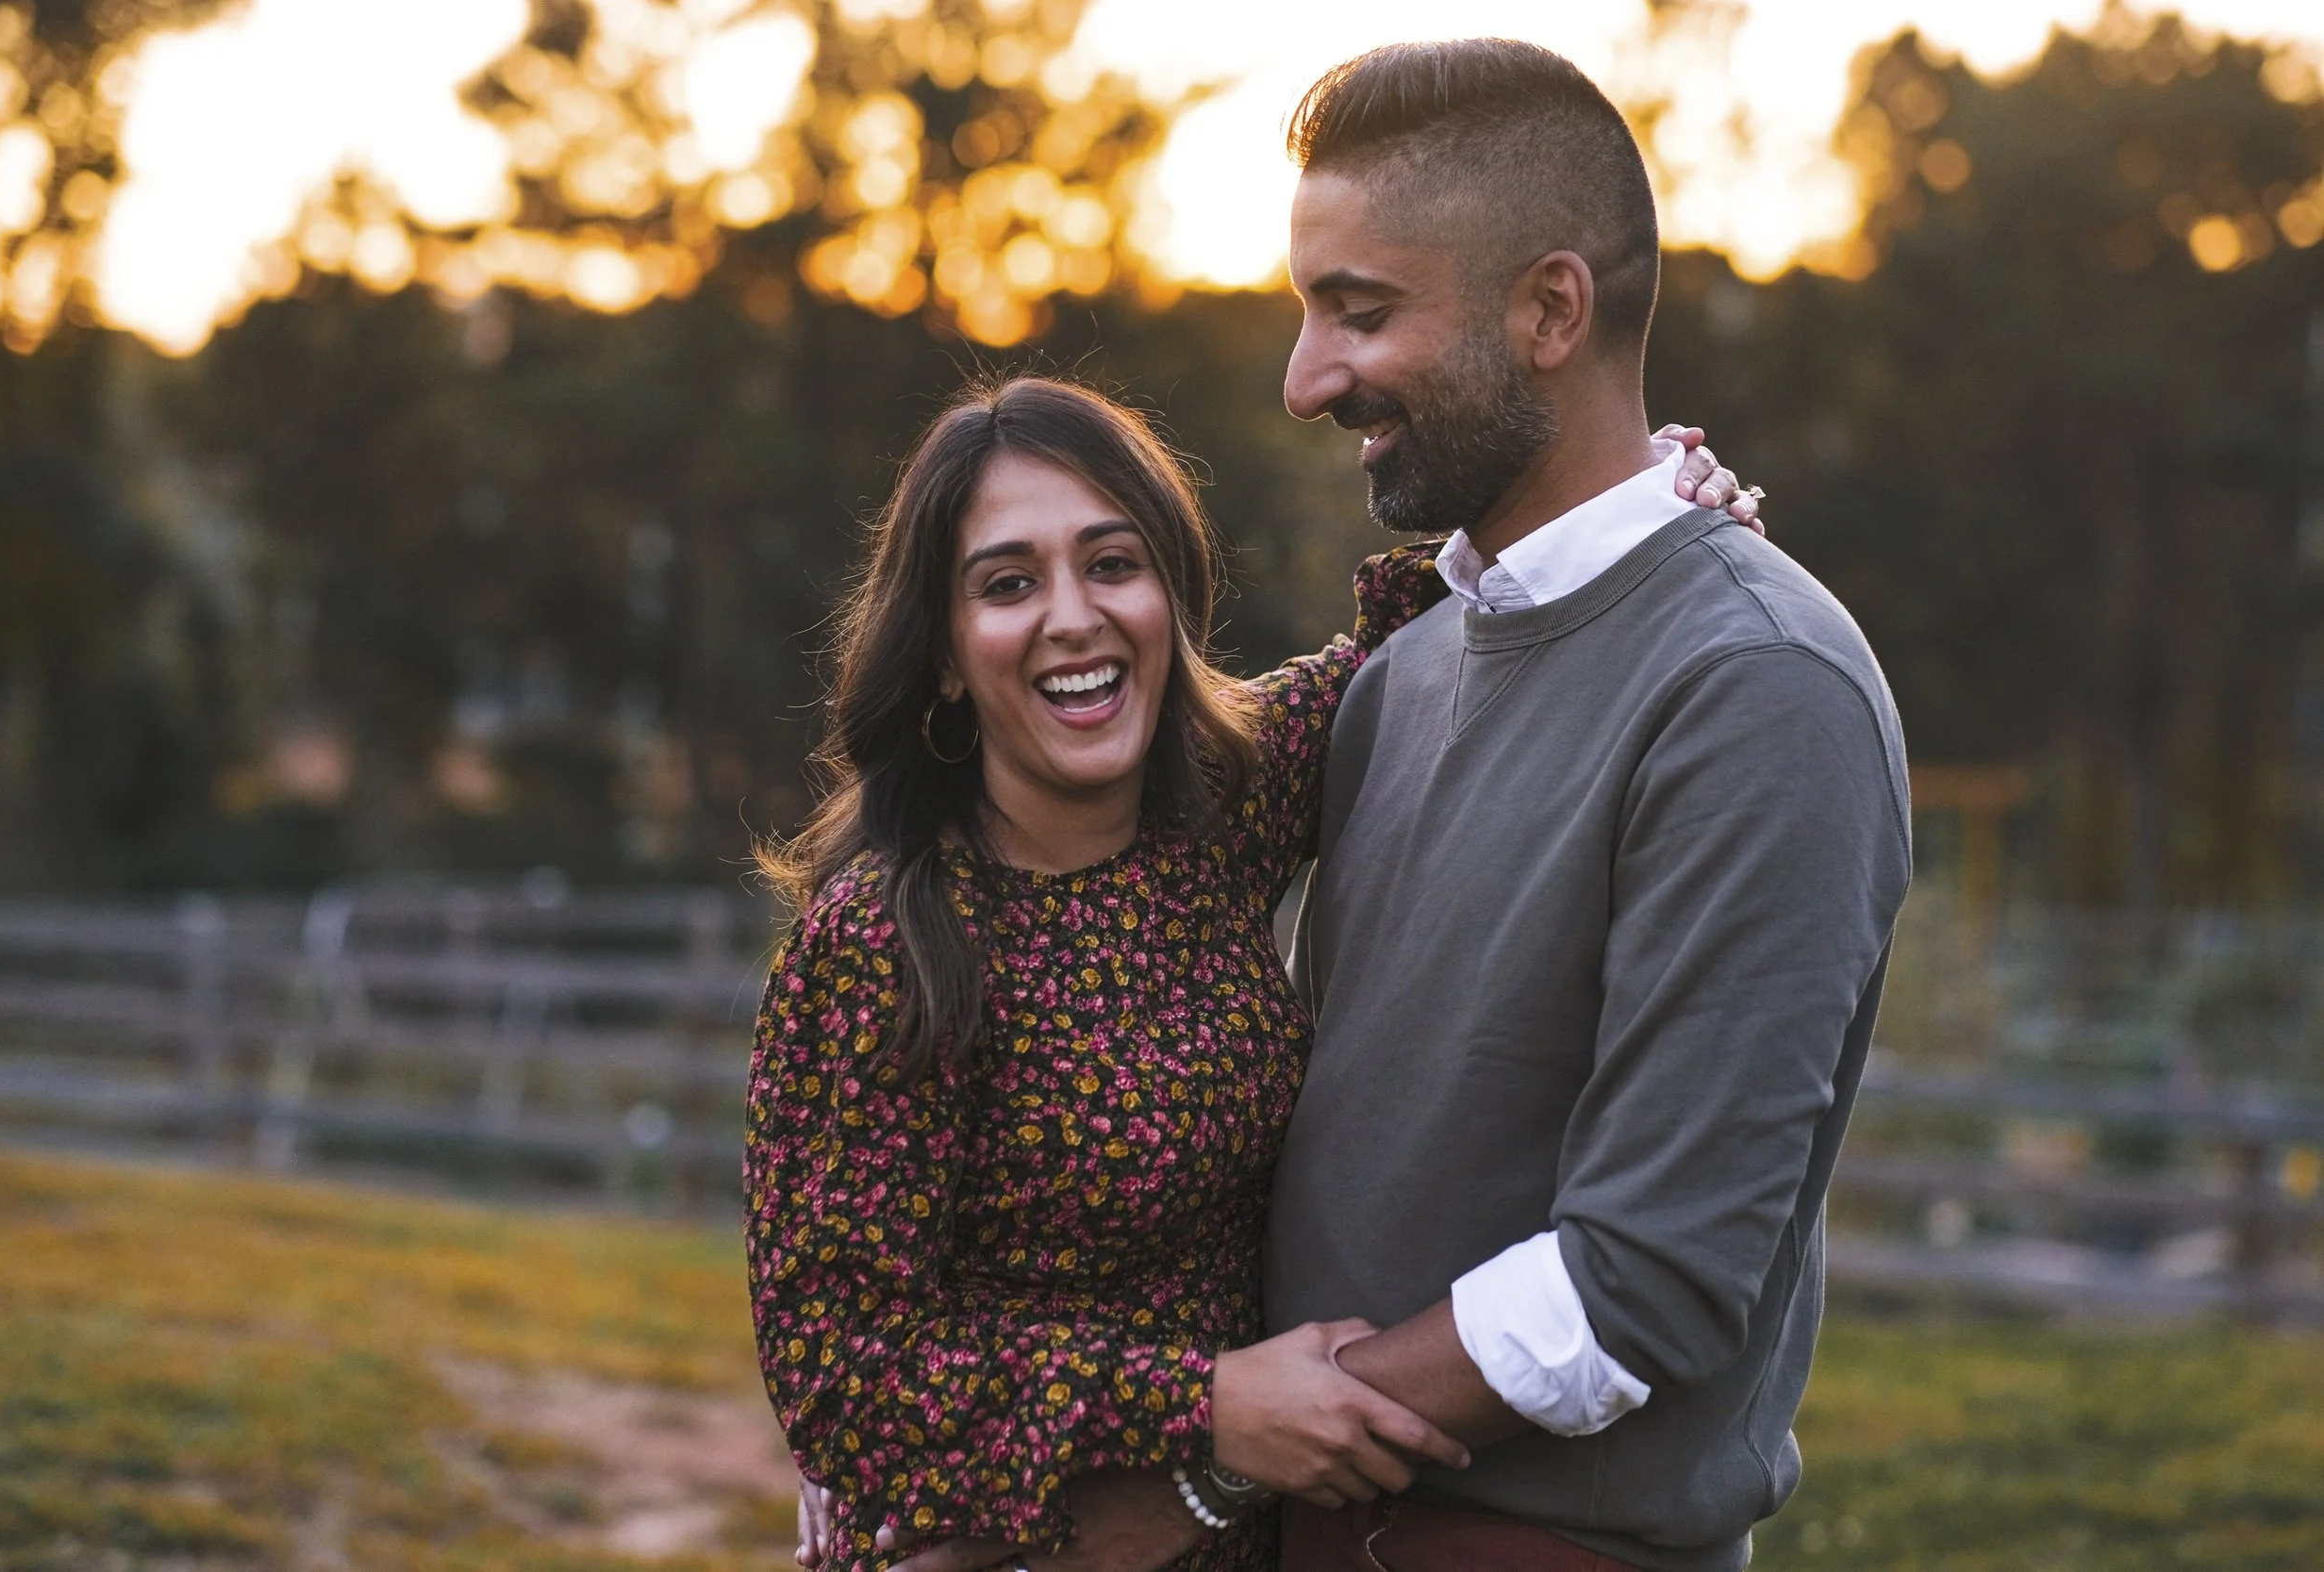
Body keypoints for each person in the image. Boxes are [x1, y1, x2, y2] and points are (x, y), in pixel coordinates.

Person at [879, 36, 1910, 1572]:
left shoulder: (1759, 688)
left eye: (1358, 314)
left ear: (1548, 310)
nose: (1306, 380)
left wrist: (1216, 1459)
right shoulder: (1403, 670)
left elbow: (1647, 1280)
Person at [745, 378, 1752, 1571]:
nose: (1073, 616)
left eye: (1112, 562)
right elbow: (841, 1371)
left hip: (1241, 1535)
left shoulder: (1226, 800)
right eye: (1008, 583)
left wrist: (1649, 497)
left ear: (1169, 593)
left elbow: (1437, 626)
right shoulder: (885, 945)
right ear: (949, 652)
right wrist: (1204, 1403)